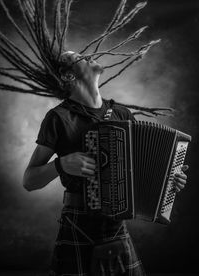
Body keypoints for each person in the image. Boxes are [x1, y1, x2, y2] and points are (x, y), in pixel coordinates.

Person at [22, 51, 188, 276]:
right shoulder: (58, 117)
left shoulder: (121, 113)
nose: (88, 55)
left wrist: (170, 180)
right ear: (69, 75)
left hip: (115, 225)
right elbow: (29, 181)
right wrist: (60, 165)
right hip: (77, 223)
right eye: (78, 56)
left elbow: (139, 171)